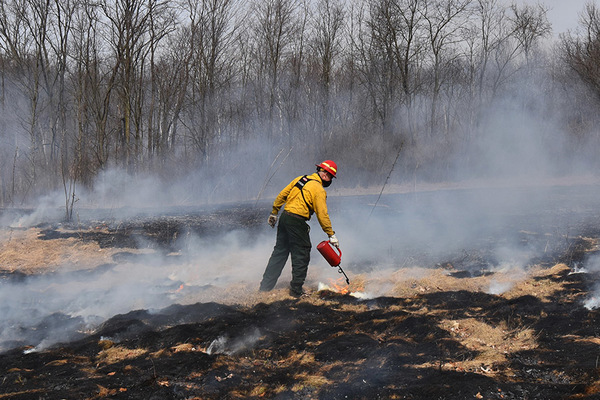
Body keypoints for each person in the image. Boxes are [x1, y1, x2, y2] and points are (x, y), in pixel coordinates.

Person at [259, 160, 339, 297]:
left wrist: (274, 212)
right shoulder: (318, 189)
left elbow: (282, 195)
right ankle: (296, 290)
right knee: (301, 253)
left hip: (284, 218)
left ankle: (265, 288)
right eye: (331, 177)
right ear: (325, 174)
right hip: (297, 221)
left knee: (279, 253)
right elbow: (322, 214)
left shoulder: (300, 179)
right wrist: (330, 234)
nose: (330, 180)